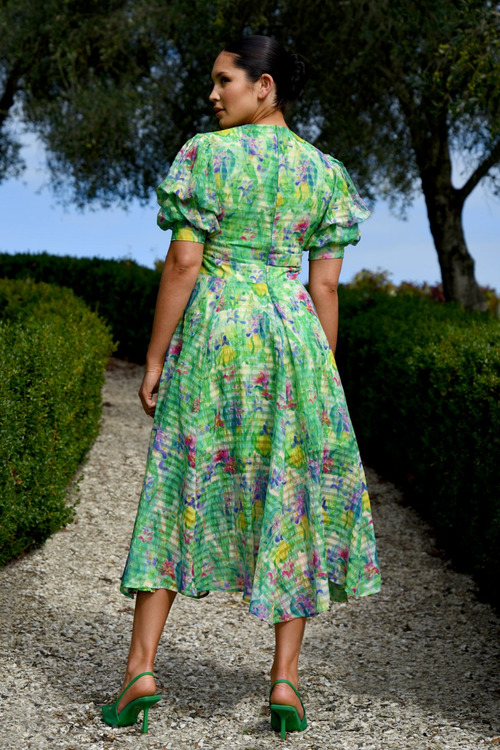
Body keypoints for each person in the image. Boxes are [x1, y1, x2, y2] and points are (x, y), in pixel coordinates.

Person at [101, 34, 381, 739]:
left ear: (264, 86)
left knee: (175, 485)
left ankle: (140, 669)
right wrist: (326, 377)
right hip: (293, 339)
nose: (213, 94)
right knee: (295, 493)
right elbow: (324, 285)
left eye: (224, 81)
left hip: (218, 333)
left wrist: (155, 355)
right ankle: (284, 680)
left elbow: (183, 265)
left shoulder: (206, 156)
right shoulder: (325, 174)